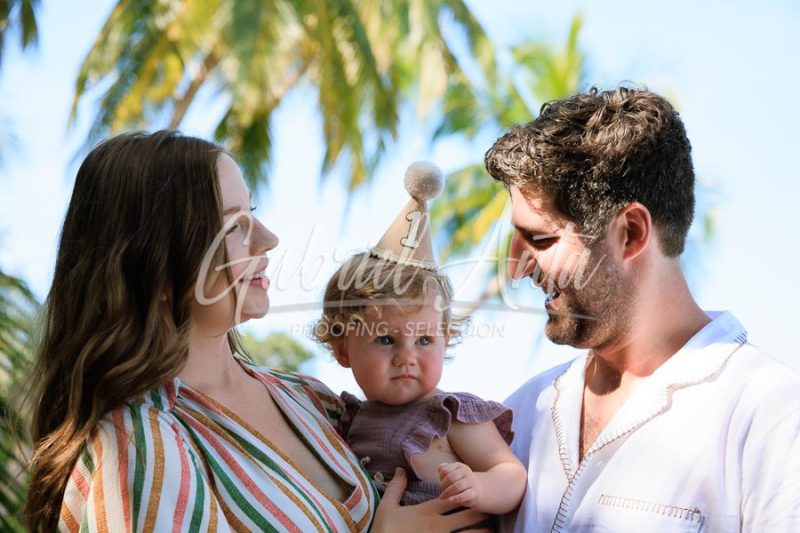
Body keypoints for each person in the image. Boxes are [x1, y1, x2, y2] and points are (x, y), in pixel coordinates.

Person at [23, 130, 487, 532]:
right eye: (235, 224)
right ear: (157, 266)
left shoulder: (311, 400)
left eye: (254, 212)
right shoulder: (141, 446)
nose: (268, 238)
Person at [485, 86, 800, 531]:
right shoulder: (516, 417)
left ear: (630, 233)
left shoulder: (770, 418)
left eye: (541, 239)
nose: (516, 270)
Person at [313, 162, 527, 515]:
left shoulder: (449, 416)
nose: (406, 357)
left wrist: (479, 486)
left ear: (445, 339)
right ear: (342, 349)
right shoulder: (348, 422)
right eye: (385, 340)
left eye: (424, 340)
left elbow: (511, 473)